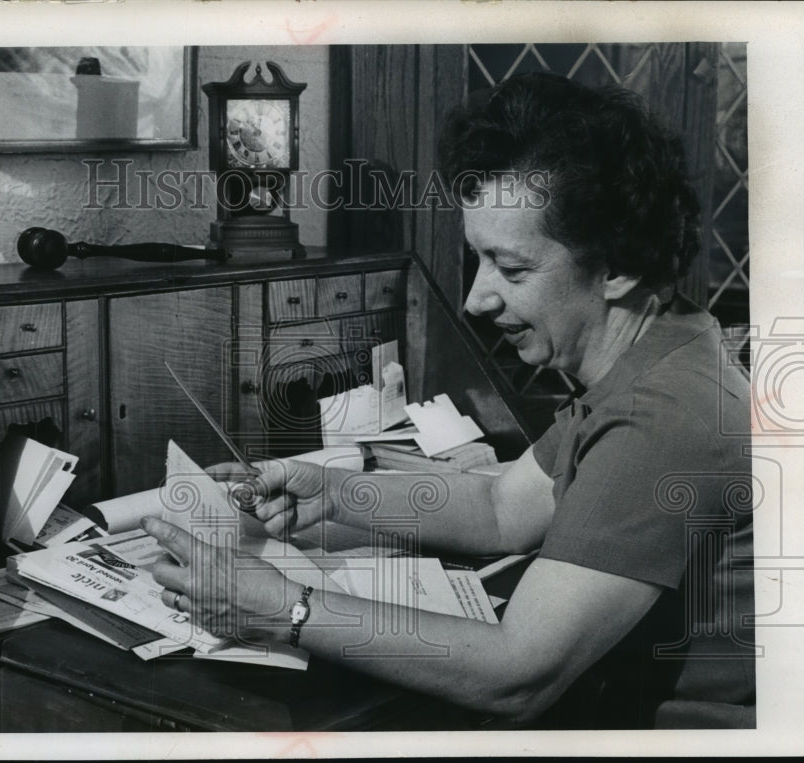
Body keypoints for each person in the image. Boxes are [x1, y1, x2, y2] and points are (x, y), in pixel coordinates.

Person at [142, 72, 755, 729]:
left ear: (616, 266)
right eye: (478, 261)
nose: (476, 299)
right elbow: (502, 507)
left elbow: (518, 673)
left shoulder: (664, 413)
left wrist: (285, 607)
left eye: (513, 269)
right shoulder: (663, 343)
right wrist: (332, 492)